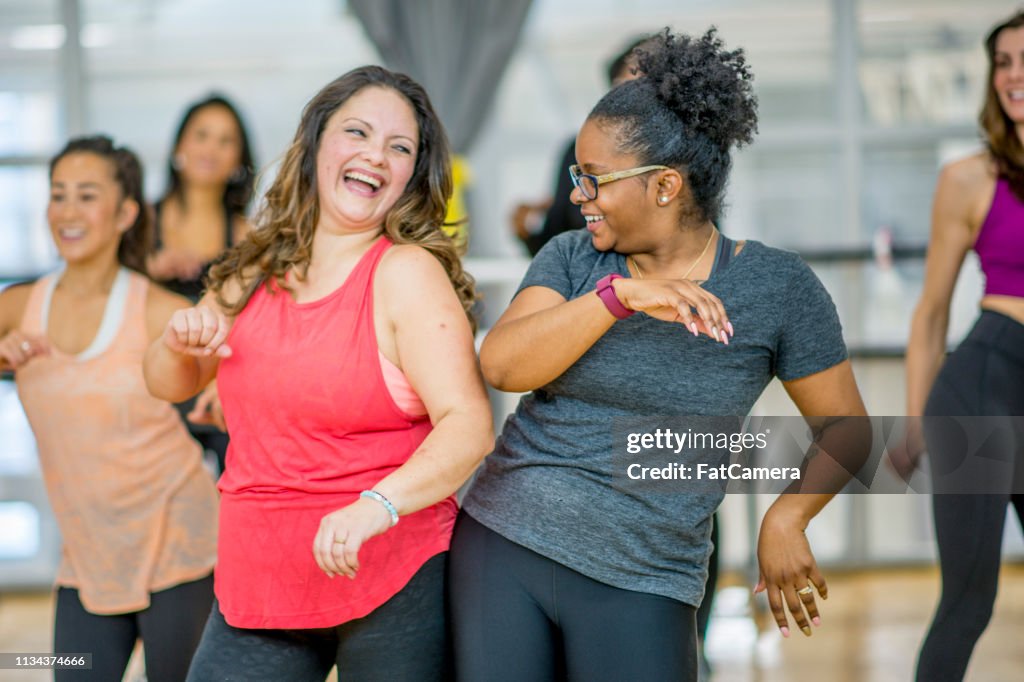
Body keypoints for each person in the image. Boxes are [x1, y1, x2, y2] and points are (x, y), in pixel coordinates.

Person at [450, 28, 868, 681]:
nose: (578, 196)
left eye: (594, 180)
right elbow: (502, 364)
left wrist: (788, 516)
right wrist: (618, 297)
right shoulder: (571, 259)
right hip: (506, 539)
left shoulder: (778, 290)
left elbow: (848, 431)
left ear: (666, 186)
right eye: (576, 177)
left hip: (649, 571)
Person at [143, 66, 493, 681]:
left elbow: (467, 425)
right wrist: (177, 342)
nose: (375, 157)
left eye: (399, 147)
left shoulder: (406, 272)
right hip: (262, 575)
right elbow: (168, 382)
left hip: (391, 568)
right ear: (316, 145)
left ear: (414, 175)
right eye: (357, 132)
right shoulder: (254, 265)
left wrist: (377, 506)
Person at [0, 136, 218, 682]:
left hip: (179, 547)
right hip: (87, 558)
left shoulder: (158, 310)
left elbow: (237, 379)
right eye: (58, 194)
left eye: (86, 195)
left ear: (125, 213)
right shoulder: (20, 306)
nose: (68, 211)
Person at [897, 10, 1024, 681]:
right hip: (984, 388)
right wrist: (918, 424)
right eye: (1003, 62)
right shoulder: (970, 178)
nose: (1013, 76)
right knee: (969, 599)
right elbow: (932, 313)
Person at [148, 94, 256, 472]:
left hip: (217, 386)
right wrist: (148, 269)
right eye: (202, 135)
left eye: (226, 141)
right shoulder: (139, 225)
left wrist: (222, 383)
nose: (211, 149)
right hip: (150, 384)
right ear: (180, 145)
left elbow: (255, 322)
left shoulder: (248, 234)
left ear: (239, 160)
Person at [511, 35, 651, 256]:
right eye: (618, 88)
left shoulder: (687, 157)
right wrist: (525, 230)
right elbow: (554, 239)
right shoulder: (576, 151)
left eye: (639, 88)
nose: (578, 196)